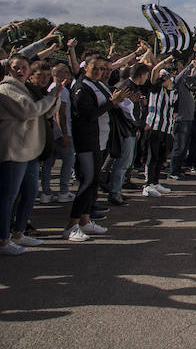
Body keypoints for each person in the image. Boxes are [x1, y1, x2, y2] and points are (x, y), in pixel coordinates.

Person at [0, 54, 60, 255]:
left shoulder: (28, 89)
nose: (20, 70)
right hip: (14, 150)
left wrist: (55, 96)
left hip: (30, 151)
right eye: (16, 67)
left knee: (30, 193)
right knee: (8, 197)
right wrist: (51, 97)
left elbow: (46, 113)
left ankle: (18, 232)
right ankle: (3, 240)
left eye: (24, 67)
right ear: (9, 69)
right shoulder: (7, 88)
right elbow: (30, 111)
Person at [65, 55, 129, 241]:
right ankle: (72, 225)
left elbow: (110, 102)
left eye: (103, 68)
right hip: (86, 140)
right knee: (88, 181)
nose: (100, 72)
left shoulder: (99, 84)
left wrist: (117, 100)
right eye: (96, 68)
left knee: (93, 182)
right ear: (85, 67)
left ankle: (85, 220)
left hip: (100, 139)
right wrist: (112, 102)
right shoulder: (81, 86)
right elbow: (87, 114)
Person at [107, 64, 150, 205]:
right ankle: (114, 193)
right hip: (125, 130)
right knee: (122, 163)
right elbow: (126, 110)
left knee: (124, 163)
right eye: (146, 75)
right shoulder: (126, 87)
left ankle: (117, 191)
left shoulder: (132, 87)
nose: (147, 78)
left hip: (129, 129)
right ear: (141, 74)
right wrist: (139, 125)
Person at [42, 63, 76, 202]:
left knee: (48, 165)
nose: (68, 76)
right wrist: (64, 134)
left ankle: (47, 192)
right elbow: (60, 114)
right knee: (67, 163)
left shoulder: (54, 88)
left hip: (52, 133)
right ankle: (63, 191)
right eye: (65, 73)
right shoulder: (61, 90)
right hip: (60, 133)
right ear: (57, 75)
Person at [143, 57, 176, 197]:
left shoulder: (172, 93)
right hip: (154, 126)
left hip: (167, 128)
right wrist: (166, 60)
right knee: (152, 156)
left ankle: (155, 182)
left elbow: (173, 112)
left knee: (161, 157)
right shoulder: (155, 90)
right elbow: (155, 70)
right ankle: (147, 184)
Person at [168, 58, 196, 180]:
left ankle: (178, 169)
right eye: (180, 67)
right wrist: (190, 65)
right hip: (181, 119)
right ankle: (173, 171)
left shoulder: (186, 82)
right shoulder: (176, 82)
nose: (183, 69)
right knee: (178, 147)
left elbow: (195, 78)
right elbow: (180, 77)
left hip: (188, 119)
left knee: (183, 147)